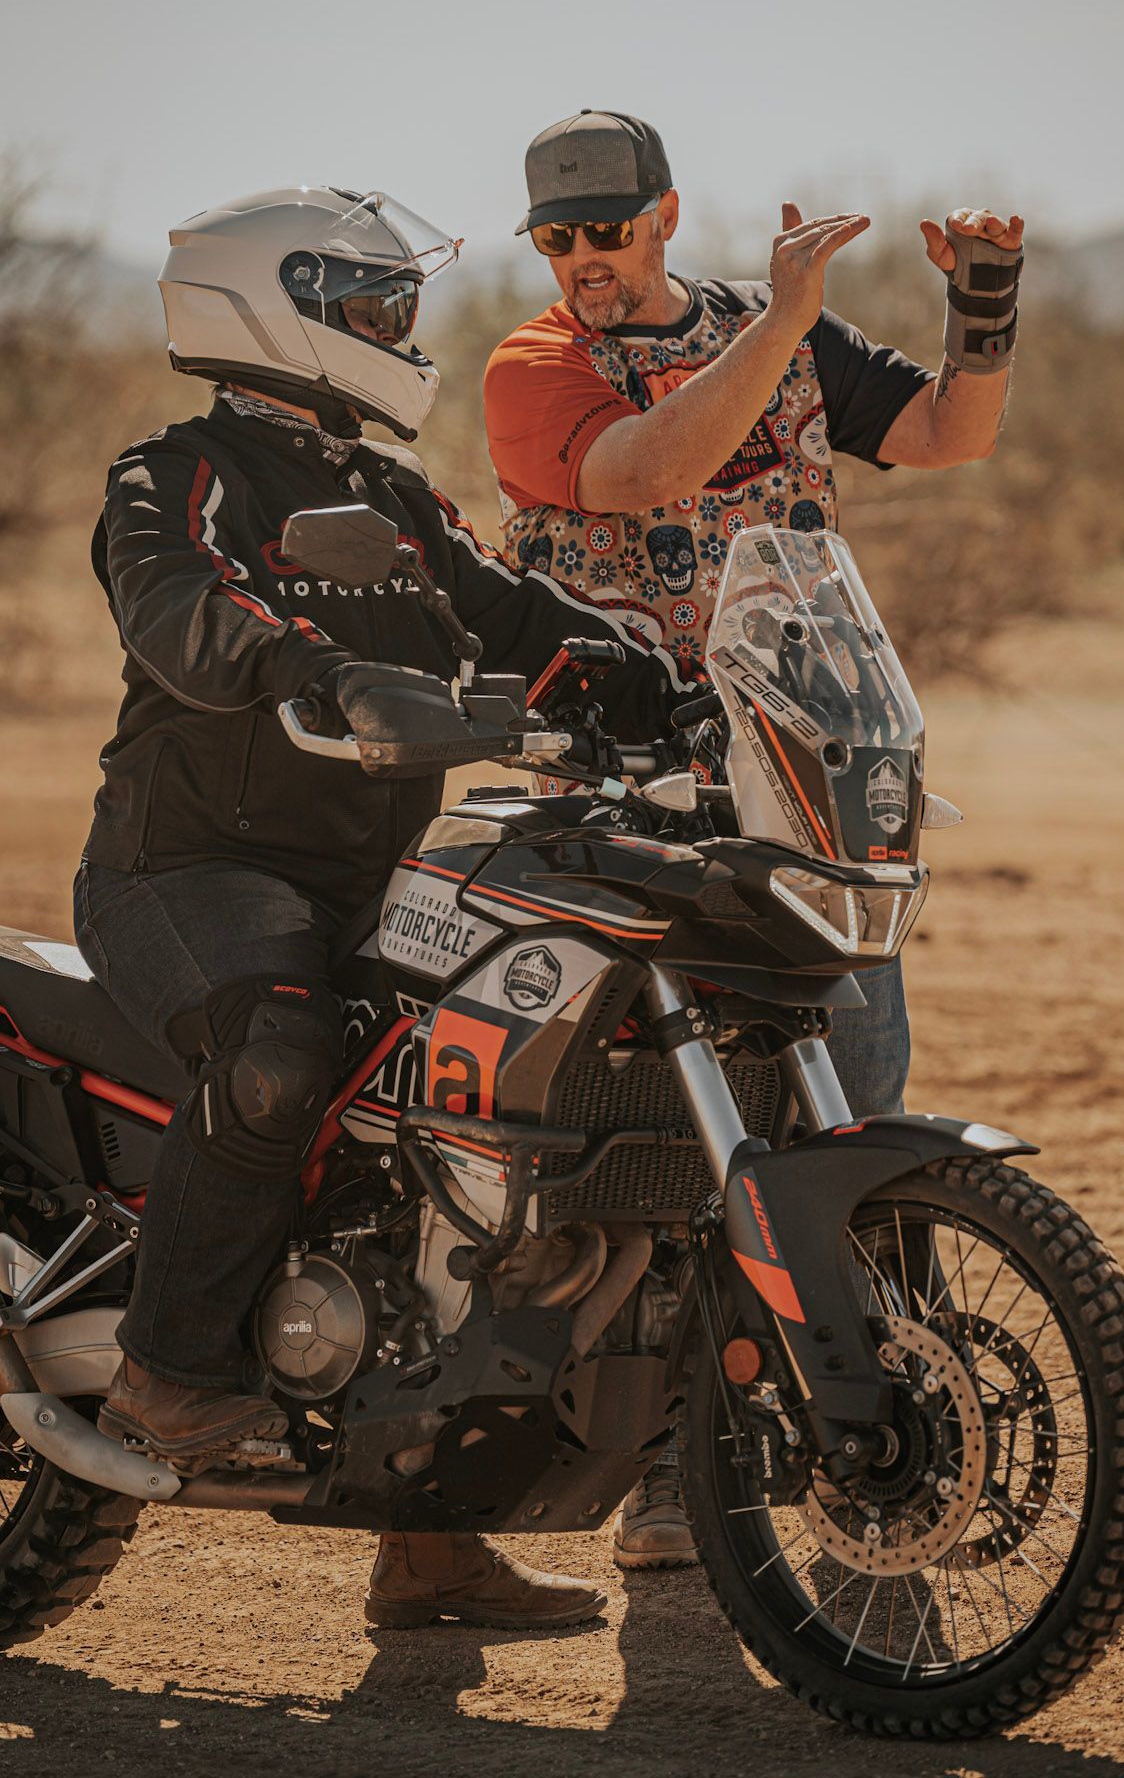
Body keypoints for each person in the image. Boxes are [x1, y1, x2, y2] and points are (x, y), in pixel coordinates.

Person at [77, 185, 682, 1631]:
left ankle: (430, 1546)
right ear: (259, 305)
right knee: (282, 1043)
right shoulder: (179, 471)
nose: (393, 327)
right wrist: (311, 667)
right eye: (366, 303)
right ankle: (169, 1363)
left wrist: (660, 681)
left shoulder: (395, 496)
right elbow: (177, 608)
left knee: (486, 1144)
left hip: (373, 882)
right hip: (189, 877)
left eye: (393, 303)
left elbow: (513, 619)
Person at [484, 111, 1023, 1568]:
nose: (584, 262)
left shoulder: (767, 331)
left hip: (810, 780)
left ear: (664, 216)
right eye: (556, 240)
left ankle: (897, 1451)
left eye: (606, 231)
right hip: (622, 799)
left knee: (848, 1119)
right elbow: (643, 473)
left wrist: (980, 311)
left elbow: (943, 435)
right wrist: (783, 322)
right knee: (661, 1150)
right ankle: (673, 1474)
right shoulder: (533, 366)